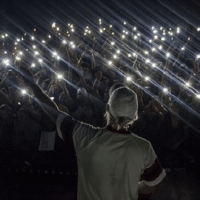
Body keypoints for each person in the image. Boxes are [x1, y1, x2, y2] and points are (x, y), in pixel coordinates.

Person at [21, 66, 166, 199]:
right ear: (135, 116)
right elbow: (153, 184)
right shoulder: (144, 147)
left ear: (107, 109)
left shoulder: (85, 136)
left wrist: (33, 85)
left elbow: (53, 111)